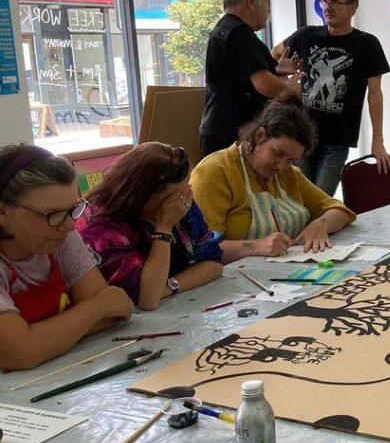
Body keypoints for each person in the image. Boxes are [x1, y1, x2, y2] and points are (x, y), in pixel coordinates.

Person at [0, 145, 133, 372]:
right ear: (3, 213)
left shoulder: (58, 234)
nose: (70, 225)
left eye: (73, 210)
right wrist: (95, 309)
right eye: (52, 214)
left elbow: (116, 311)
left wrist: (37, 336)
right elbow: (18, 355)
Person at [191, 93, 357, 264]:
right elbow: (200, 249)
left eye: (291, 160)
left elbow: (340, 211)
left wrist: (320, 224)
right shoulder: (215, 172)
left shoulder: (289, 174)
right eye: (278, 153)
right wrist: (256, 247)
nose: (282, 166)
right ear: (259, 135)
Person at [272, 0, 390, 197]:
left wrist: (378, 141)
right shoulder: (306, 35)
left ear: (352, 8)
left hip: (337, 138)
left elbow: (375, 94)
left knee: (320, 199)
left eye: (335, 2)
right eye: (325, 1)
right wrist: (281, 72)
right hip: (300, 133)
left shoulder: (367, 44)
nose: (328, 7)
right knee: (295, 198)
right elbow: (274, 54)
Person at [77, 143, 223, 311]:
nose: (186, 196)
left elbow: (213, 263)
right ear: (143, 195)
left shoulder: (180, 203)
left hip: (178, 306)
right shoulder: (100, 227)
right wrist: (164, 228)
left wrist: (169, 287)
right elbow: (147, 298)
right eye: (177, 194)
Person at [200, 0, 301, 155]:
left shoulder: (223, 28)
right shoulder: (241, 34)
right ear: (252, 2)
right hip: (233, 133)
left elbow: (237, 75)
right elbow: (265, 85)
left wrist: (275, 69)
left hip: (216, 128)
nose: (268, 10)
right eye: (266, 3)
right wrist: (291, 89)